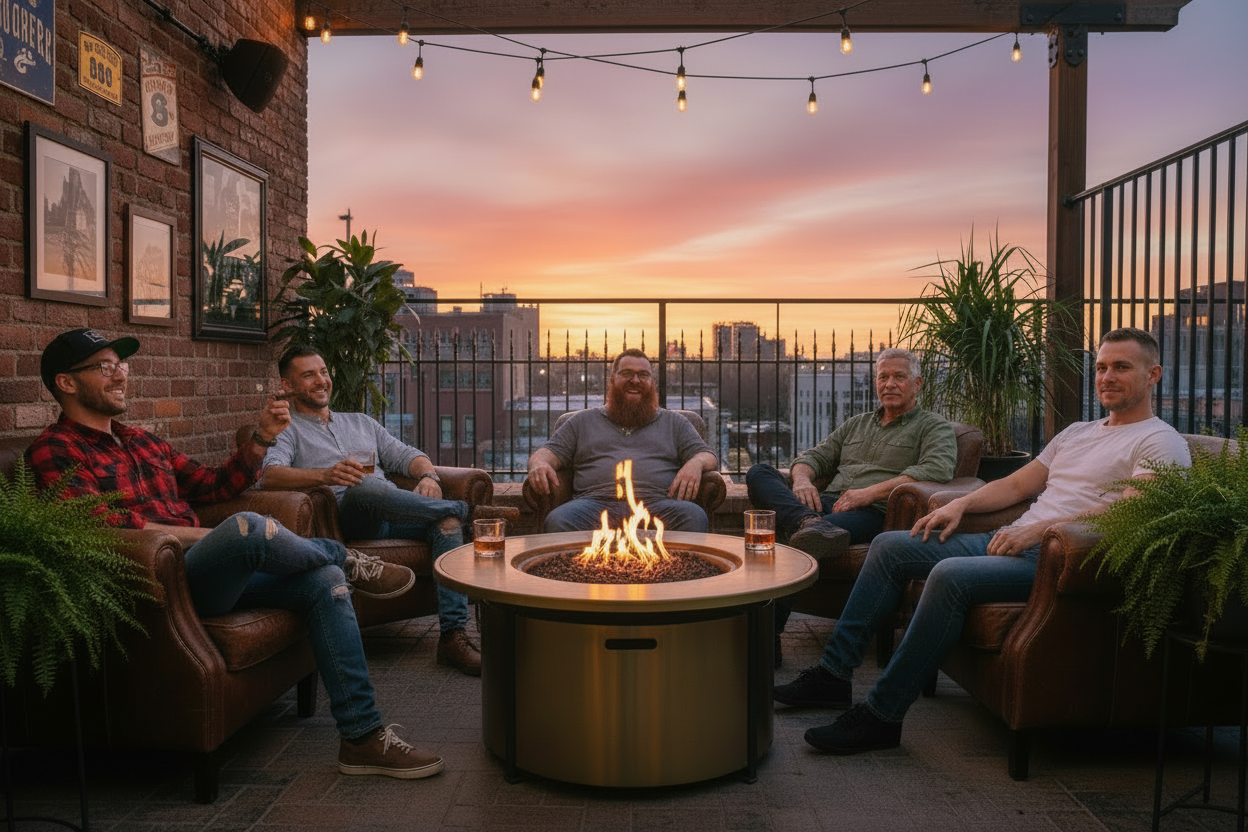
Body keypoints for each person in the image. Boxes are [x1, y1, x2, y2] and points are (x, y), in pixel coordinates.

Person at [27, 328, 443, 780]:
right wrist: (206, 537)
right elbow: (99, 528)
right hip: (163, 580)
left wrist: (262, 439)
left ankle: (362, 738)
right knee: (245, 529)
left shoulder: (144, 442)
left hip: (215, 573)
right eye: (104, 367)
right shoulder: (54, 450)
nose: (120, 375)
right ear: (66, 383)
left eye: (121, 365)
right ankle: (339, 554)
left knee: (324, 584)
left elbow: (215, 485)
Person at [773, 327, 1191, 755]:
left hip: (1053, 558)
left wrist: (1043, 529)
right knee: (890, 546)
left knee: (949, 576)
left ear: (1153, 374)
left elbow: (1132, 509)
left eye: (1121, 367)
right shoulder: (1078, 432)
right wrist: (962, 505)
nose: (1107, 377)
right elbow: (1013, 487)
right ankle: (833, 674)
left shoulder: (1160, 441)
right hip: (1008, 540)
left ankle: (882, 715)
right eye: (1102, 367)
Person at [261, 346, 479, 676]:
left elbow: (408, 455)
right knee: (364, 485)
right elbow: (269, 475)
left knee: (446, 523)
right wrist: (325, 474)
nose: (321, 381)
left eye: (323, 372)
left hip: (394, 513)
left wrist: (429, 475)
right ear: (287, 385)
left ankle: (452, 636)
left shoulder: (360, 422)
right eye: (309, 375)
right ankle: (468, 510)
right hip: (348, 518)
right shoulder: (285, 429)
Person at [746, 348, 957, 665]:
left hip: (875, 515)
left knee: (793, 543)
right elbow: (811, 459)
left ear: (918, 384)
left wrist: (868, 493)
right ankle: (806, 520)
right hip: (827, 504)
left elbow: (936, 470)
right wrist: (802, 482)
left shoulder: (933, 427)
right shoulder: (856, 424)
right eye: (883, 377)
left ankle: (766, 640)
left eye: (899, 377)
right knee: (759, 472)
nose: (889, 384)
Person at [526, 348, 719, 533]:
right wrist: (538, 464)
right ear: (612, 380)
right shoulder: (581, 422)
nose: (635, 380)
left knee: (694, 516)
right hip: (593, 504)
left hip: (659, 503)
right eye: (627, 373)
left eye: (643, 375)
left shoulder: (675, 422)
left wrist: (696, 462)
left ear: (652, 382)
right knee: (557, 521)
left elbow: (708, 456)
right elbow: (546, 454)